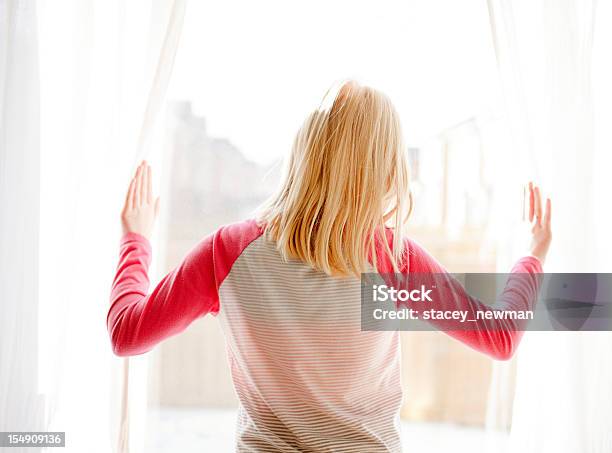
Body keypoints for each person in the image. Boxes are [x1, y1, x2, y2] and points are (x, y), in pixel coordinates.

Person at [108, 81, 552, 452]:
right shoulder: (390, 259)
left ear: (303, 151)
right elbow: (499, 336)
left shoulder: (226, 253)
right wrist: (532, 254)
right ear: (384, 171)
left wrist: (136, 239)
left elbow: (127, 333)